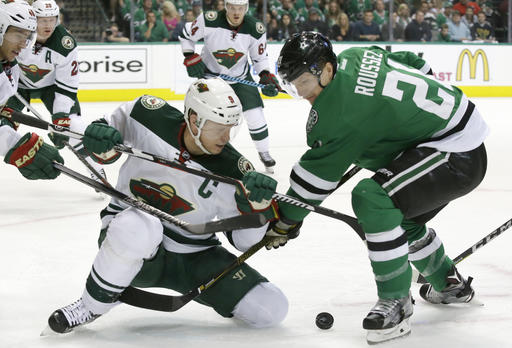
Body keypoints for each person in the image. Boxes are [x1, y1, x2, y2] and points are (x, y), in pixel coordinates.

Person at [275, 32, 487, 344]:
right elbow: (414, 65)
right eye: (292, 84)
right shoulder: (356, 55)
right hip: (453, 133)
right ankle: (448, 283)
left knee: (372, 198)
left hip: (456, 153)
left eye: (303, 82)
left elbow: (314, 181)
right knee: (400, 219)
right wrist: (400, 123)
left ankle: (396, 303)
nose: (299, 91)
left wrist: (284, 221)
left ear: (327, 71)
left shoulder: (338, 114)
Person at [46, 78, 289, 334]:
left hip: (194, 256)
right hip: (132, 239)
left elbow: (244, 242)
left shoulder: (236, 171)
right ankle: (90, 305)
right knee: (140, 226)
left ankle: (116, 281)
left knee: (272, 308)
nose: (226, 138)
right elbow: (103, 140)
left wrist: (256, 209)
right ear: (195, 120)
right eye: (219, 129)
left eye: (231, 128)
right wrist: (101, 139)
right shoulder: (146, 113)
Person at [6, 0, 105, 183]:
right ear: (33, 19)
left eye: (52, 19)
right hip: (18, 85)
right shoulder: (19, 34)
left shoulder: (65, 43)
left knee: (72, 126)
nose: (48, 25)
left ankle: (96, 170)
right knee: (2, 124)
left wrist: (61, 116)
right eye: (43, 20)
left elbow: (68, 83)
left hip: (51, 88)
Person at [179, 0, 282, 173]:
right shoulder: (209, 20)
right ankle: (196, 151)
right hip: (210, 79)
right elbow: (186, 35)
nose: (236, 12)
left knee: (255, 114)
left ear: (246, 9)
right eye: (233, 8)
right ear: (226, 7)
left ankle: (264, 152)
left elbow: (259, 58)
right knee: (206, 118)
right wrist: (190, 55)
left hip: (240, 78)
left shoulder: (255, 29)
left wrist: (265, 75)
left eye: (240, 8)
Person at [0, 0, 63, 181]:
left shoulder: (10, 67)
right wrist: (17, 145)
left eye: (27, 36)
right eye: (18, 34)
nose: (22, 44)